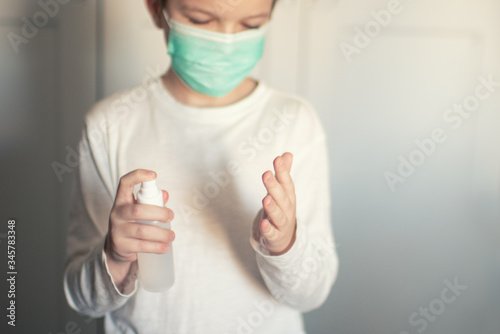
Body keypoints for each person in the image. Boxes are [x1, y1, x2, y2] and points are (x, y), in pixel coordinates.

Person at [63, 0, 339, 333]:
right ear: (155, 9)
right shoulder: (109, 126)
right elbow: (83, 299)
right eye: (201, 19)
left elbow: (312, 293)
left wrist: (285, 245)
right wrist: (116, 258)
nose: (225, 41)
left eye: (250, 24)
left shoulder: (294, 122)